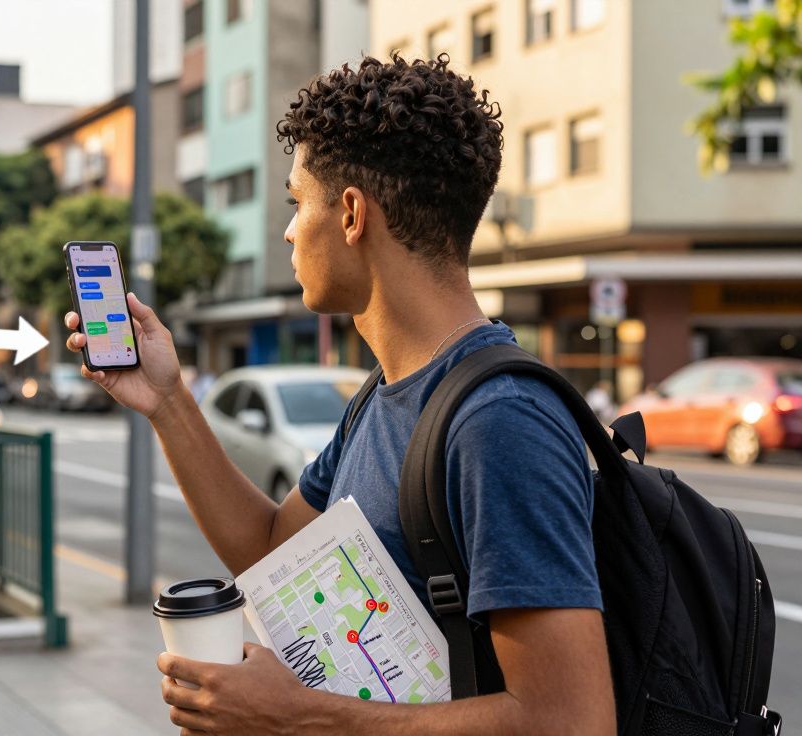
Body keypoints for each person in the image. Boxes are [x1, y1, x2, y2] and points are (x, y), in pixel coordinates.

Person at [63, 54, 613, 734]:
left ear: (351, 213)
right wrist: (167, 401)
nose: (290, 230)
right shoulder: (385, 397)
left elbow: (570, 721)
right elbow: (271, 549)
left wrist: (297, 717)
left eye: (297, 203)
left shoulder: (498, 423)